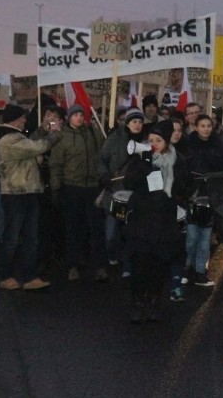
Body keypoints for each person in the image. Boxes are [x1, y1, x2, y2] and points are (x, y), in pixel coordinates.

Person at [123, 119, 191, 323]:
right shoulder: (139, 159)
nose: (153, 143)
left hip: (164, 221)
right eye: (150, 139)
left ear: (167, 142)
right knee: (139, 264)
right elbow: (129, 182)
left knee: (158, 265)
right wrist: (144, 165)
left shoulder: (179, 161)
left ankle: (153, 301)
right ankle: (137, 302)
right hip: (141, 220)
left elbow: (184, 188)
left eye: (158, 140)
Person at [0, 104, 62, 290]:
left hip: (30, 191)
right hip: (16, 193)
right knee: (12, 237)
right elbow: (36, 147)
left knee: (31, 237)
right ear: (15, 119)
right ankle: (6, 275)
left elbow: (31, 143)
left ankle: (29, 276)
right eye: (22, 118)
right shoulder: (7, 140)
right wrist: (54, 133)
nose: (25, 120)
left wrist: (42, 128)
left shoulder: (17, 138)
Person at [49, 104, 108, 282]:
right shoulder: (62, 137)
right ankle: (72, 266)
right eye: (76, 115)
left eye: (81, 115)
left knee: (96, 228)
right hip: (72, 187)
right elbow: (56, 164)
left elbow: (103, 150)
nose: (79, 118)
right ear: (69, 117)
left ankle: (100, 266)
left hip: (92, 186)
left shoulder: (91, 133)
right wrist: (55, 188)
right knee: (72, 228)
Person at [97, 107, 146, 272]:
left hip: (134, 195)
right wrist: (104, 175)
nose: (137, 125)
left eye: (140, 122)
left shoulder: (146, 142)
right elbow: (102, 159)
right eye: (134, 121)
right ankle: (112, 257)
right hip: (114, 192)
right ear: (127, 123)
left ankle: (127, 266)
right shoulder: (114, 139)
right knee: (111, 233)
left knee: (130, 233)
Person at [184, 113, 223, 288]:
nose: (206, 129)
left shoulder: (218, 144)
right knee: (191, 237)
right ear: (196, 127)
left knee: (205, 238)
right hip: (192, 195)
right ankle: (186, 269)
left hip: (210, 195)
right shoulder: (188, 144)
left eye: (208, 126)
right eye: (202, 126)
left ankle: (201, 271)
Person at [30, 105, 66, 274]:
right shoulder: (37, 134)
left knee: (59, 223)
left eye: (54, 116)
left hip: (60, 184)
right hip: (41, 185)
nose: (50, 118)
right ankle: (42, 259)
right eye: (47, 114)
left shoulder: (64, 136)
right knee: (42, 225)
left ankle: (59, 254)